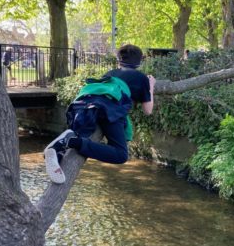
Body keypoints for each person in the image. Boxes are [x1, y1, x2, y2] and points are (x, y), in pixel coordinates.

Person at [44, 44, 156, 184]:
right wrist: (151, 86)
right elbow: (148, 110)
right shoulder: (141, 78)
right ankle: (70, 141)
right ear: (140, 62)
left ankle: (59, 153)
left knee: (85, 132)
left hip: (87, 106)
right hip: (110, 108)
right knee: (120, 155)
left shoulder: (110, 74)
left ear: (119, 61)